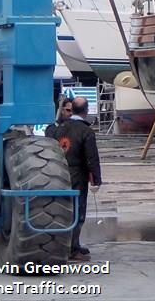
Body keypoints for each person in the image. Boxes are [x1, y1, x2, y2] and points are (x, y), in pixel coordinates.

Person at [54, 96, 102, 261]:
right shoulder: (86, 131)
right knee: (77, 212)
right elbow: (91, 158)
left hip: (57, 173)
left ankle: (63, 245)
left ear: (71, 110)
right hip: (77, 176)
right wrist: (96, 179)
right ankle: (72, 249)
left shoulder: (58, 129)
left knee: (60, 210)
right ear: (87, 111)